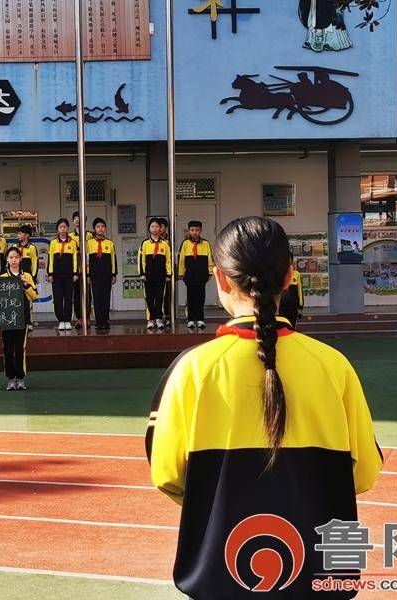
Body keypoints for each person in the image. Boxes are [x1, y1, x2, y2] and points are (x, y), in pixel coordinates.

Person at [146, 216, 382, 599]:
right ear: (289, 278)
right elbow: (364, 474)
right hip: (320, 578)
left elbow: (168, 475)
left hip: (220, 576)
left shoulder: (192, 369)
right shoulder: (334, 366)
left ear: (220, 279)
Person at [1, 247, 38, 390]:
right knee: (8, 349)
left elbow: (34, 295)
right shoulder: (3, 277)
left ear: (21, 258)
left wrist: (25, 284)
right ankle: (11, 378)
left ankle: (21, 378)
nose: (13, 260)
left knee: (20, 349)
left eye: (16, 257)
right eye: (11, 257)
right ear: (7, 260)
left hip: (22, 318)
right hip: (6, 319)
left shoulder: (27, 276)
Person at [177, 220, 213, 331]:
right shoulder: (185, 244)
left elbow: (210, 258)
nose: (194, 232)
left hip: (202, 274)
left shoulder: (206, 243)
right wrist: (181, 273)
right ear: (189, 231)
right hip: (190, 275)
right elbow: (181, 259)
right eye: (192, 230)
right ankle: (191, 320)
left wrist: (210, 271)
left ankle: (200, 319)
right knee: (191, 297)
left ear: (200, 231)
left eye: (197, 230)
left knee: (201, 297)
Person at [138, 218, 172, 329]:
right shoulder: (145, 243)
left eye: (157, 226)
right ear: (149, 229)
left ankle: (159, 319)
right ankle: (151, 319)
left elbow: (168, 260)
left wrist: (168, 274)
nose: (155, 228)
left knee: (159, 298)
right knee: (149, 298)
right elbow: (141, 259)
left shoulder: (165, 244)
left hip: (161, 276)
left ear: (160, 229)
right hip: (148, 277)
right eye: (152, 226)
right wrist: (142, 273)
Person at [47, 218, 79, 330]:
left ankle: (67, 320)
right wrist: (50, 274)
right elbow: (50, 259)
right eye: (60, 227)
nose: (63, 229)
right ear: (58, 229)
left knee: (69, 298)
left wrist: (76, 273)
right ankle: (61, 320)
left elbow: (75, 259)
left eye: (65, 227)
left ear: (67, 228)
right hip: (56, 276)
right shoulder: (53, 243)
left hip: (69, 275)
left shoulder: (73, 243)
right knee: (58, 298)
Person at [87, 218, 117, 330]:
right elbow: (86, 261)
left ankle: (106, 320)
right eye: (98, 226)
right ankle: (99, 321)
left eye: (102, 226)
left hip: (107, 275)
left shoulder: (109, 243)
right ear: (94, 229)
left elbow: (113, 260)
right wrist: (88, 275)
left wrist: (114, 274)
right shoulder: (89, 243)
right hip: (94, 276)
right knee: (97, 299)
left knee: (106, 298)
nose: (100, 229)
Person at [10, 224, 39, 330]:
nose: (18, 235)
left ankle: (29, 322)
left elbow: (35, 263)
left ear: (26, 235)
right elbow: (8, 262)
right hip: (15, 277)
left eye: (20, 233)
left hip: (27, 278)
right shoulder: (14, 246)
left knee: (28, 300)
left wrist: (33, 277)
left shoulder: (32, 247)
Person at [71, 211, 93, 329]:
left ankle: (87, 317)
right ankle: (79, 318)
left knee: (88, 294)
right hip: (75, 270)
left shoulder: (89, 235)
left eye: (80, 218)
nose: (77, 220)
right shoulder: (70, 236)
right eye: (75, 218)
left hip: (87, 269)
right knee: (76, 295)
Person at [279, 252, 304, 328]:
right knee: (282, 327)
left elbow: (300, 291)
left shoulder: (296, 274)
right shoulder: (279, 274)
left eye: (289, 259)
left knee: (292, 327)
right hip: (281, 306)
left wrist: (300, 307)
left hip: (293, 307)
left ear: (292, 261)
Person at [159, 217, 173, 328]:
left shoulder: (170, 240)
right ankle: (159, 317)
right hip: (156, 273)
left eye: (161, 227)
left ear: (166, 228)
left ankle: (168, 316)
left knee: (167, 295)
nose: (158, 229)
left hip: (167, 272)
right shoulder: (151, 241)